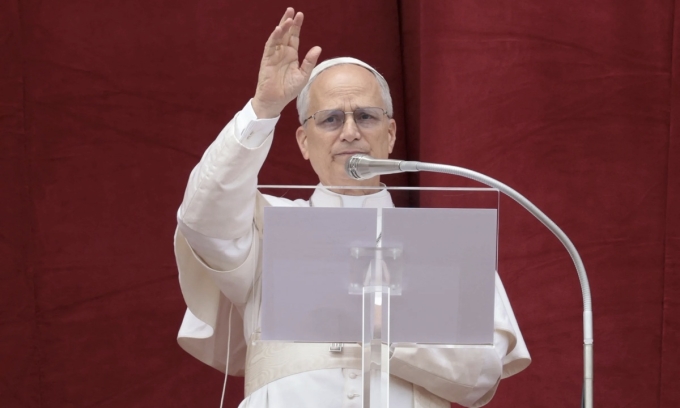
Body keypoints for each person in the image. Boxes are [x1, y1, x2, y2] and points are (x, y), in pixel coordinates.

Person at [174, 7, 530, 408]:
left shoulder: (445, 246)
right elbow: (202, 218)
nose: (349, 132)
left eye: (365, 116)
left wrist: (381, 333)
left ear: (390, 134)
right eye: (329, 119)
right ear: (304, 141)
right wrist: (263, 109)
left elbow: (482, 375)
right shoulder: (267, 225)